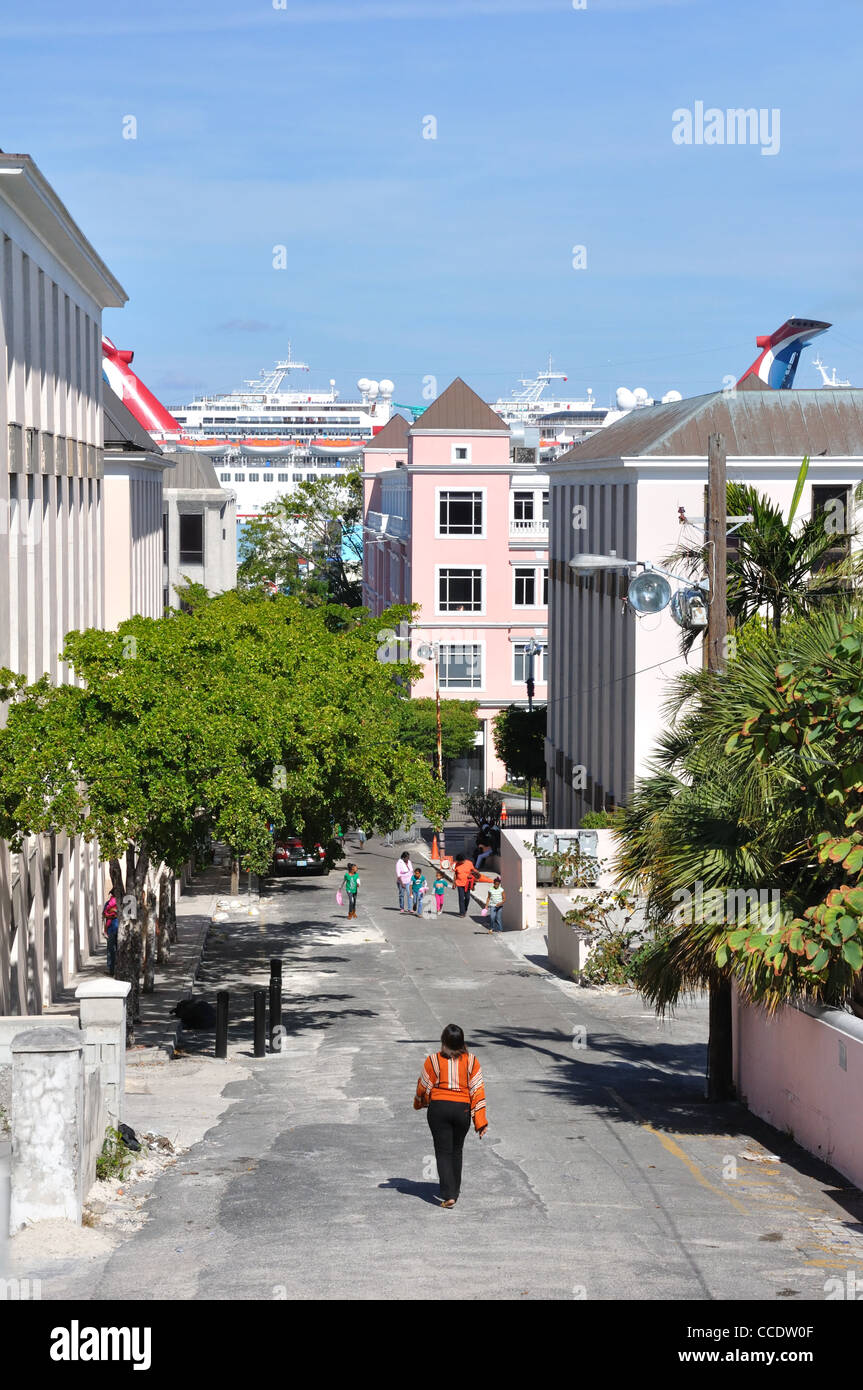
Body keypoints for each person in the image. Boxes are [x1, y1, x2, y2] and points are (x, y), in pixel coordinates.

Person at [414, 1023, 488, 1207]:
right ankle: (454, 1190)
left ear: (443, 1041)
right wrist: (480, 1122)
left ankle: (449, 1194)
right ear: (462, 1043)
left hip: (439, 1109)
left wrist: (419, 1103)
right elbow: (477, 1090)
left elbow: (423, 1086)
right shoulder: (472, 1061)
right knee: (457, 1150)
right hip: (462, 1110)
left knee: (443, 1151)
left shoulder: (433, 1060)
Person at [102, 890, 119, 975]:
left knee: (111, 950)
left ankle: (112, 970)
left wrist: (112, 914)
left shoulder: (109, 903)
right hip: (114, 929)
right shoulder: (122, 904)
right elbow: (104, 914)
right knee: (114, 950)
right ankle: (112, 970)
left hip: (113, 929)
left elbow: (104, 915)